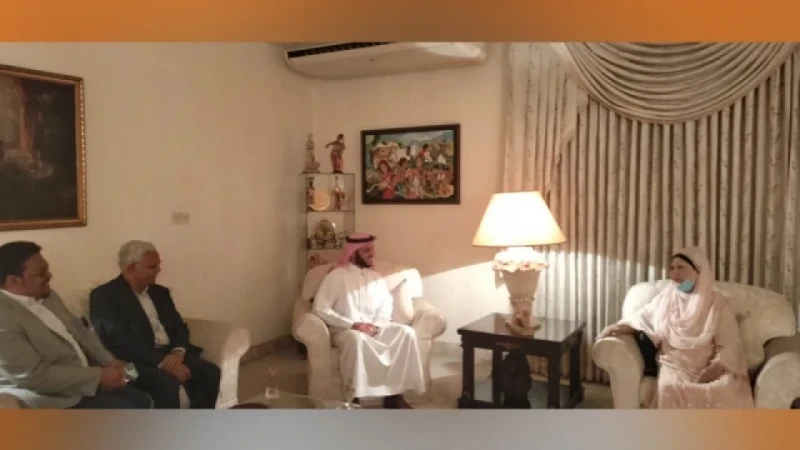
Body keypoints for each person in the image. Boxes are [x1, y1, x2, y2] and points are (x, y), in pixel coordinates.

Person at [0, 241, 152, 409]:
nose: (49, 275)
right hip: (52, 395)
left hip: (86, 376)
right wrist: (99, 376)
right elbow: (34, 376)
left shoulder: (48, 296)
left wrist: (110, 362)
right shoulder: (4, 317)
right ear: (14, 280)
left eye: (47, 269)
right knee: (124, 408)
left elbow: (79, 330)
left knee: (141, 396)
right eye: (41, 273)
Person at [597, 247, 754, 409]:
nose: (675, 273)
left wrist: (715, 368)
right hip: (675, 364)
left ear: (697, 271)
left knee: (725, 389)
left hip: (710, 365)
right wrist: (616, 328)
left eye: (681, 267)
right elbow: (642, 318)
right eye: (672, 268)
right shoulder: (666, 298)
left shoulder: (718, 304)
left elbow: (730, 344)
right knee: (670, 389)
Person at [89, 240, 221, 409]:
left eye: (158, 265)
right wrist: (162, 362)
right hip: (129, 363)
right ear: (130, 268)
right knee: (166, 384)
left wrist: (178, 353)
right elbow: (117, 341)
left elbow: (179, 327)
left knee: (210, 372)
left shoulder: (160, 293)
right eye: (152, 266)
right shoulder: (103, 296)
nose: (159, 270)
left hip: (170, 354)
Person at [312, 232, 425, 409]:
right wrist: (353, 325)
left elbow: (386, 305)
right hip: (345, 330)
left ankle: (395, 395)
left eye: (372, 249)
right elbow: (320, 308)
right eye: (366, 251)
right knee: (358, 340)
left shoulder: (376, 277)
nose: (372, 254)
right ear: (353, 253)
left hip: (375, 327)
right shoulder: (336, 276)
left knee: (406, 333)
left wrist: (377, 325)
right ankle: (356, 397)